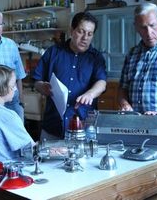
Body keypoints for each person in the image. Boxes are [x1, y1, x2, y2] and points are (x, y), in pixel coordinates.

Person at [33, 11, 107, 139]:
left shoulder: (96, 57)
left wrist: (91, 94)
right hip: (53, 125)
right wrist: (42, 87)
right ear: (72, 30)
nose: (85, 37)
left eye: (89, 34)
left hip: (83, 126)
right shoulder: (53, 52)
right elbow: (37, 81)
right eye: (81, 31)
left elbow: (101, 83)